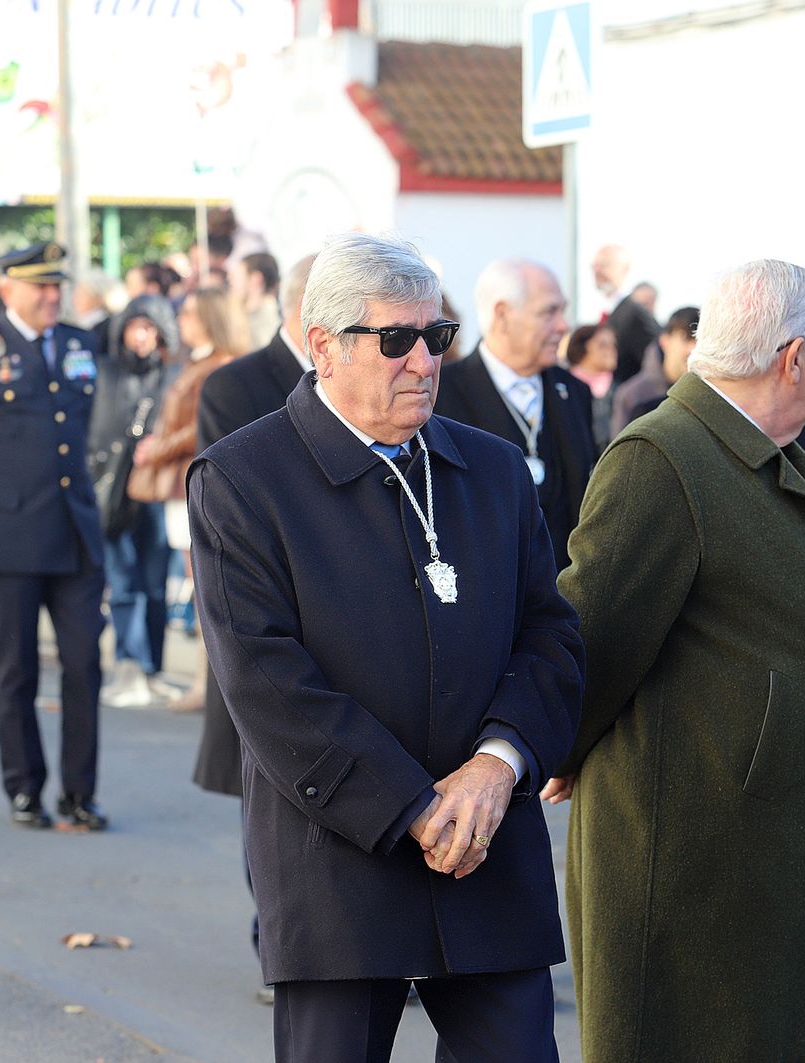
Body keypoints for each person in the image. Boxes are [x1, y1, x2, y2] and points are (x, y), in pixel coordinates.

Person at [188, 231, 583, 1063]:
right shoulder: (243, 478)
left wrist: (495, 766)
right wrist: (413, 807)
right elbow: (267, 682)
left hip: (485, 843)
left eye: (435, 336)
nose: (423, 361)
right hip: (338, 856)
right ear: (323, 346)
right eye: (394, 339)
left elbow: (550, 635)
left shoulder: (495, 469)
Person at [546, 258, 805, 1061]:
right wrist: (553, 743)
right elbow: (588, 636)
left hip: (757, 863)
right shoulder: (664, 457)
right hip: (697, 868)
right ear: (793, 357)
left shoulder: (767, 454)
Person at [0, 243, 109, 832]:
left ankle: (79, 792)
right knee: (15, 671)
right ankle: (24, 787)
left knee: (84, 663)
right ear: (7, 289)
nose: (51, 296)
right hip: (6, 535)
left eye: (56, 285)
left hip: (72, 529)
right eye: (40, 286)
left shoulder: (77, 343)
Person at [191, 252, 315, 1000]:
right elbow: (237, 500)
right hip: (265, 618)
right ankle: (276, 935)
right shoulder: (235, 385)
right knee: (267, 788)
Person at [128, 287, 248, 713]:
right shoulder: (199, 362)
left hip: (189, 482)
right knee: (200, 589)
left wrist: (156, 449)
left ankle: (207, 685)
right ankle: (204, 682)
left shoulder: (219, 367)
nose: (181, 320)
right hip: (178, 483)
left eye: (191, 313)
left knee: (206, 590)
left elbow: (198, 426)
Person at [435, 258, 596, 571]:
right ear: (503, 315)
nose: (563, 326)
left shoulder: (574, 392)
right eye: (549, 312)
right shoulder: (442, 394)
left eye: (562, 311)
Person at [90, 296, 180, 709]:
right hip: (112, 487)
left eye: (148, 328)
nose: (141, 336)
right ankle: (129, 663)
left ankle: (152, 667)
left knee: (155, 583)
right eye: (134, 327)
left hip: (156, 490)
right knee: (123, 582)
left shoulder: (172, 376)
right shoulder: (105, 371)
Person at [611, 305, 698, 435]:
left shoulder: (710, 393)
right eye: (686, 339)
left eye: (699, 341)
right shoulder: (632, 395)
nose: (692, 349)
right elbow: (619, 451)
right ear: (665, 340)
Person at [591, 244, 660, 385]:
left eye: (604, 265)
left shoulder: (635, 313)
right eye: (594, 266)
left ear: (624, 269)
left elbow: (656, 359)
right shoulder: (605, 309)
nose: (597, 271)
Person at [563, 322, 617, 448]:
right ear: (582, 348)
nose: (611, 351)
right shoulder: (561, 387)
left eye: (613, 345)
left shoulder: (621, 390)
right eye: (603, 345)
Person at [230, 251, 281, 349]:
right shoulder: (246, 314)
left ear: (256, 279)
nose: (231, 283)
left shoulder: (268, 315)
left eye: (236, 278)